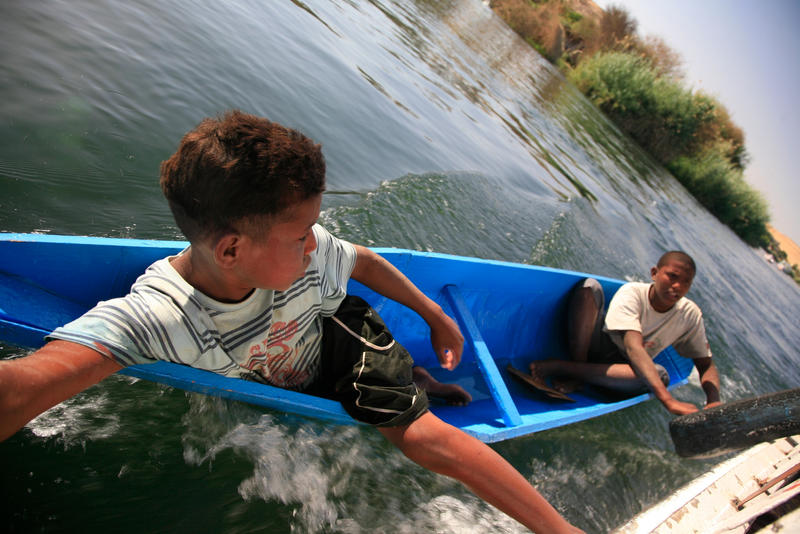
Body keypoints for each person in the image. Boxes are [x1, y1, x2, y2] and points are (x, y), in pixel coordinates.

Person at [0, 110, 583, 534]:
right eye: (300, 233)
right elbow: (34, 381)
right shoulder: (165, 315)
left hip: (337, 338)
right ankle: (415, 382)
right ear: (230, 251)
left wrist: (434, 315)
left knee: (416, 431)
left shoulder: (313, 255)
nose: (315, 244)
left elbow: (363, 260)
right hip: (281, 368)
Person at [529, 251, 721, 416]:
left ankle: (571, 373)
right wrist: (668, 401)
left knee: (660, 374)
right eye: (672, 276)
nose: (678, 286)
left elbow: (705, 364)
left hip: (623, 372)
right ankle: (571, 370)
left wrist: (713, 401)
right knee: (589, 287)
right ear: (654, 273)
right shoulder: (633, 293)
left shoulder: (690, 315)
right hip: (595, 348)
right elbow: (633, 347)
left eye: (686, 282)